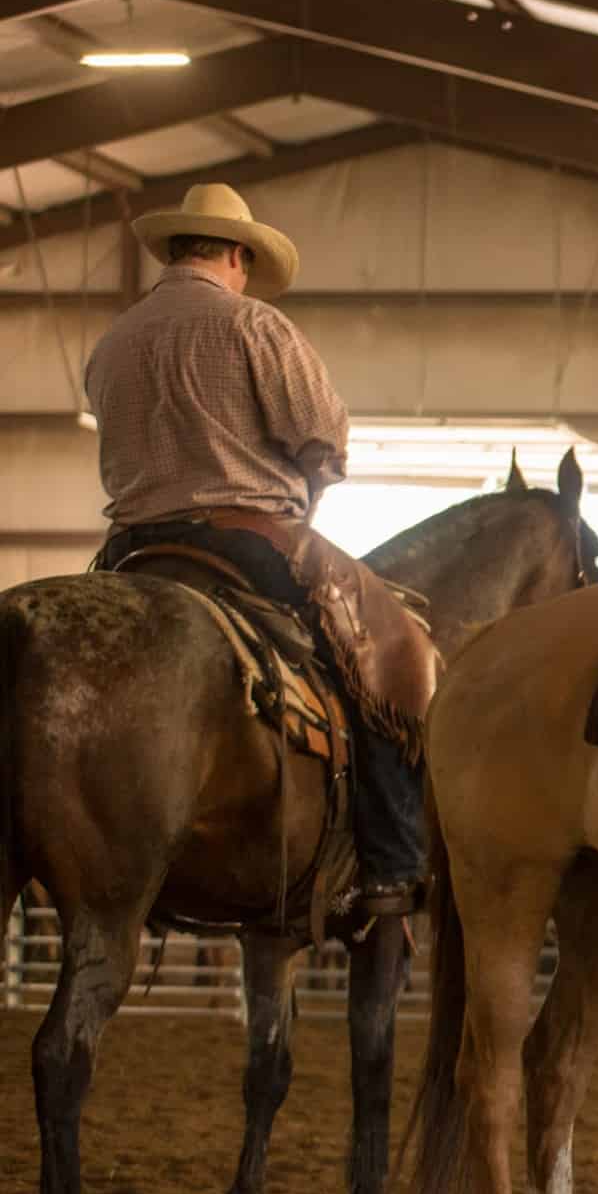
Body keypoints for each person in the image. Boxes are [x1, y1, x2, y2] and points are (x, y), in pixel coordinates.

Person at [86, 183, 436, 924]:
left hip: (131, 549)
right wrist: (312, 479)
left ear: (178, 249)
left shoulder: (113, 342)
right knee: (376, 656)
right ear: (237, 255)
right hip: (247, 537)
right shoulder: (254, 325)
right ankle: (391, 859)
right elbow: (324, 438)